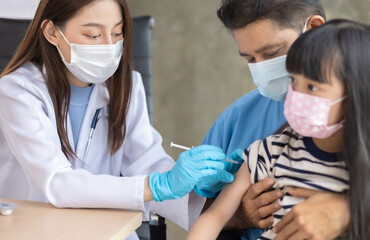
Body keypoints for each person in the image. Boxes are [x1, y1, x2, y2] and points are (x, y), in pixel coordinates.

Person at [0, 0, 238, 239]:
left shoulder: (127, 85)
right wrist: (157, 185)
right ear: (52, 32)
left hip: (105, 226)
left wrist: (197, 189)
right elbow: (57, 183)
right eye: (93, 35)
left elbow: (147, 163)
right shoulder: (17, 91)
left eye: (116, 33)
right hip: (34, 228)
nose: (108, 46)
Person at [189, 19, 370, 240]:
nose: (298, 94)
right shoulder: (270, 152)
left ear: (355, 93)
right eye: (294, 80)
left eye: (313, 86)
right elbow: (213, 218)